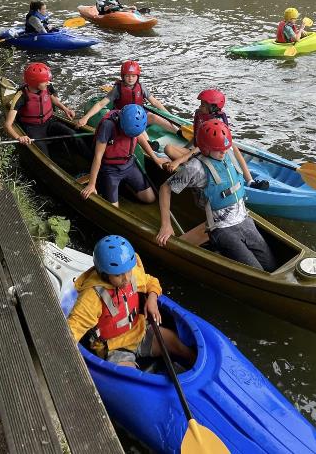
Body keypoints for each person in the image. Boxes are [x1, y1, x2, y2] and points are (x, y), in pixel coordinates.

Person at [156, 119, 277, 272]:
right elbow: (165, 188)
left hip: (244, 220)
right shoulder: (195, 168)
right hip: (222, 229)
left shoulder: (228, 152)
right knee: (257, 271)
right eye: (219, 149)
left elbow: (232, 154)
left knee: (271, 266)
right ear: (205, 148)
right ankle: (217, 250)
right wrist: (166, 225)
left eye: (225, 147)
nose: (224, 152)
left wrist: (251, 180)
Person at [67, 235, 195, 368]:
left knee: (174, 342)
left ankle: (192, 360)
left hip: (140, 331)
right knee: (129, 374)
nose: (126, 279)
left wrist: (152, 299)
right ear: (104, 274)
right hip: (115, 346)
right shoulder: (92, 296)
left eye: (128, 271)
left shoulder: (132, 274)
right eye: (118, 275)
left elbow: (152, 281)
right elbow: (75, 326)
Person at [162, 89, 269, 191]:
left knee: (234, 148)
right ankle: (190, 164)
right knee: (168, 149)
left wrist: (179, 160)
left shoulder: (217, 122)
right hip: (198, 151)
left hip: (211, 153)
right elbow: (196, 138)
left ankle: (250, 181)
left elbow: (206, 146)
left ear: (213, 107)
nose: (200, 107)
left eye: (203, 105)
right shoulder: (200, 114)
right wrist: (184, 149)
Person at [80, 104, 165, 207]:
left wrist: (155, 158)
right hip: (110, 169)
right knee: (113, 208)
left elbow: (140, 138)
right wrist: (91, 184)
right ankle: (104, 183)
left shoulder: (134, 121)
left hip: (129, 164)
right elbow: (98, 156)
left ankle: (124, 184)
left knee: (150, 198)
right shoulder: (108, 126)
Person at [4, 62, 89, 157]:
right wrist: (19, 137)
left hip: (50, 122)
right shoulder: (21, 96)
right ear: (34, 82)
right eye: (45, 80)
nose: (48, 82)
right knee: (42, 153)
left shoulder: (47, 87)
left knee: (73, 134)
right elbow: (8, 125)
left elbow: (53, 98)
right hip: (32, 128)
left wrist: (65, 109)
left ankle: (89, 158)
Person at [76, 60, 179, 137]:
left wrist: (169, 115)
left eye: (133, 76)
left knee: (155, 117)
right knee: (137, 126)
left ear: (137, 76)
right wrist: (86, 117)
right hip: (124, 116)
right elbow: (101, 104)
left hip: (139, 113)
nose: (130, 78)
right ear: (123, 76)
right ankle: (149, 145)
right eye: (127, 76)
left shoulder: (141, 87)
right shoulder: (118, 89)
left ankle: (178, 132)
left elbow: (155, 102)